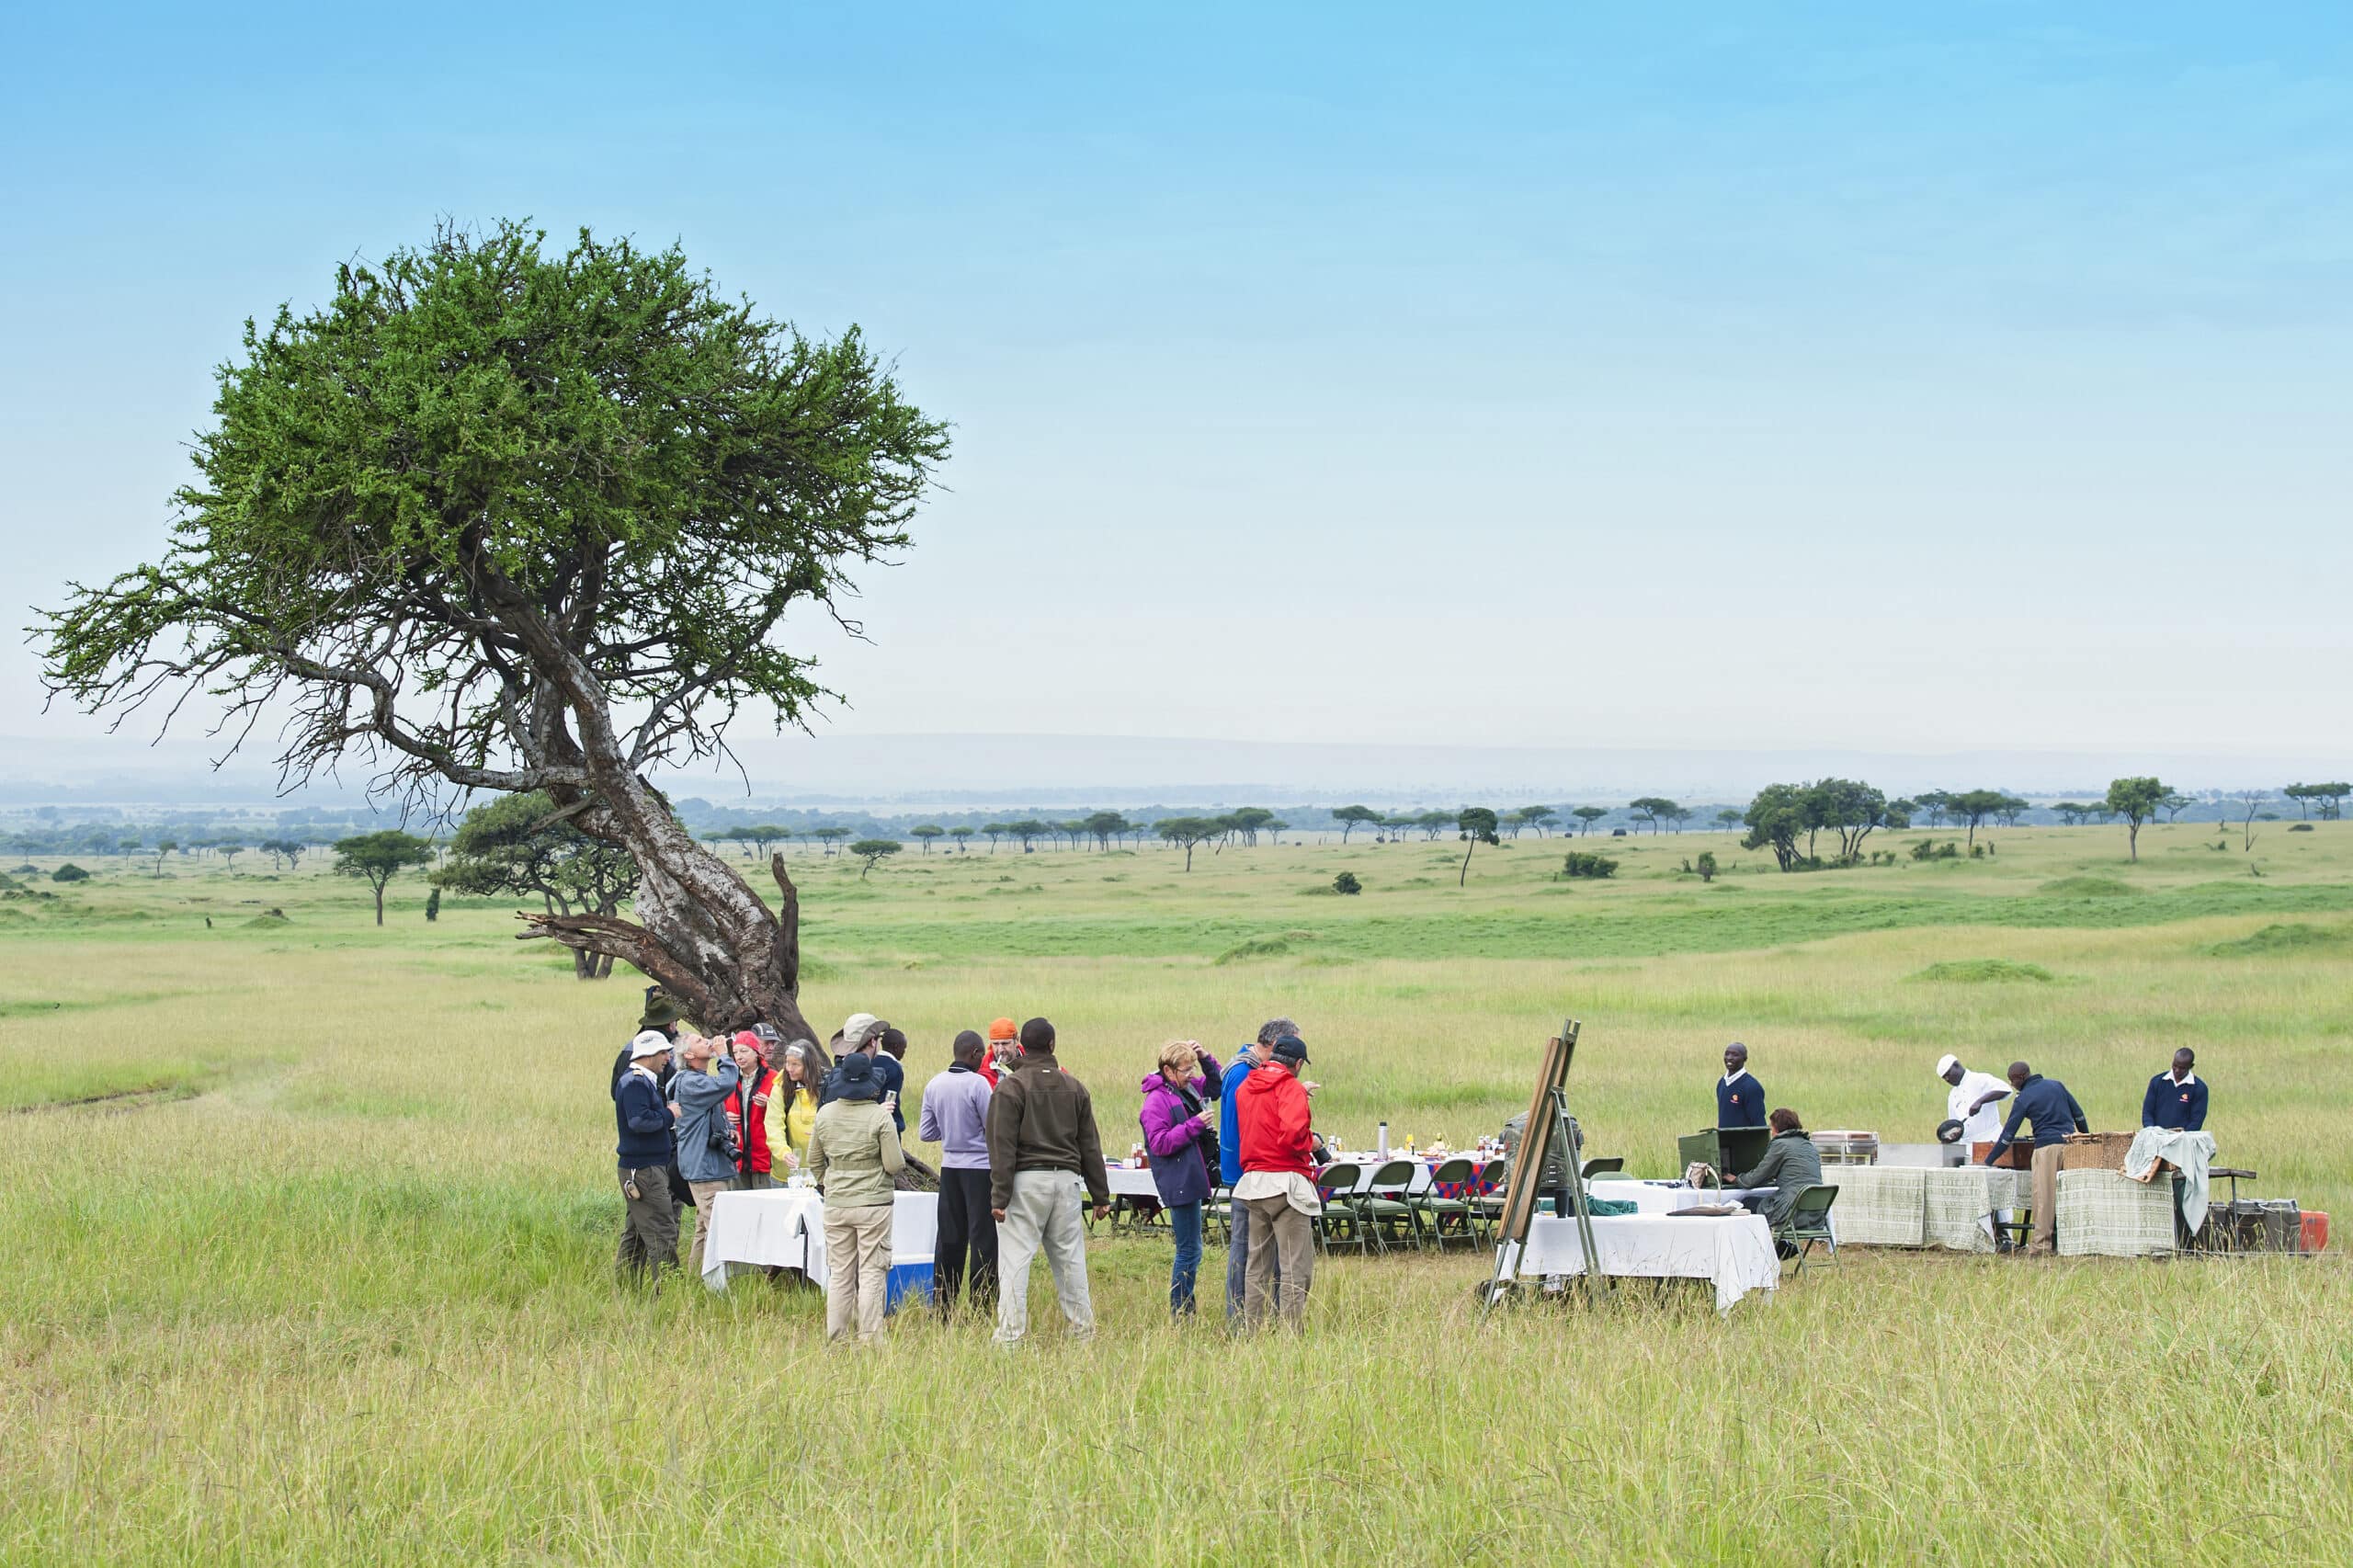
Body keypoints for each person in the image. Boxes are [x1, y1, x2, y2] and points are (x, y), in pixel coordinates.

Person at [985, 1017, 1109, 1346]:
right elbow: (1090, 1145)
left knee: (1015, 1263)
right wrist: (1100, 1195)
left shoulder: (1011, 1087)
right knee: (1070, 1262)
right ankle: (1082, 1334)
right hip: (1067, 1182)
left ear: (1021, 1045)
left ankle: (1010, 1338)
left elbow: (1002, 1145)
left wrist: (999, 1197)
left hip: (1025, 1183)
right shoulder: (1074, 1086)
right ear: (1052, 1045)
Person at [805, 1052, 906, 1346]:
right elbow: (894, 1164)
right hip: (874, 1204)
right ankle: (870, 1339)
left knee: (840, 1273)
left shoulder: (824, 1114)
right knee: (872, 1270)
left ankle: (837, 1339)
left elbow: (814, 1160)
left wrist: (831, 1182)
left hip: (837, 1205)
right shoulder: (879, 1116)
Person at [1233, 1036, 1320, 1330]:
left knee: (1257, 1265)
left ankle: (1253, 1330)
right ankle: (1290, 1334)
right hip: (1286, 1184)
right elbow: (1293, 1137)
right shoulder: (1290, 1087)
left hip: (1254, 1183)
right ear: (1297, 1064)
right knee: (1296, 1268)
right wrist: (1313, 1141)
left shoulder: (1247, 1086)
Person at [1138, 1040, 1223, 1316]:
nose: (1191, 1075)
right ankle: (1182, 1312)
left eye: (1192, 1068)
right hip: (1179, 1181)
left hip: (1191, 1178)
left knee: (1193, 1250)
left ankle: (1185, 1309)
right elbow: (1160, 1144)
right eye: (1186, 1070)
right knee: (1188, 1251)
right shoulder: (1155, 1102)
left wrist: (1206, 1057)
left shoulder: (1185, 1090)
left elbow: (1216, 1086)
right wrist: (1194, 1125)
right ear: (1168, 1070)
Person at [920, 1029, 998, 1316]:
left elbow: (926, 1132)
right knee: (983, 1238)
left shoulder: (934, 1084)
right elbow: (992, 1128)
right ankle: (982, 1306)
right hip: (980, 1170)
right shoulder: (978, 1084)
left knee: (950, 1238)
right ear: (975, 1053)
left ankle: (943, 1305)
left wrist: (951, 1131)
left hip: (950, 1168)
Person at [1221, 1018, 1292, 1323]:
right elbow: (1244, 1127)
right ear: (1276, 1046)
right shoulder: (1243, 1073)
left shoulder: (1252, 1070)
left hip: (1253, 1174)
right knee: (1244, 1251)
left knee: (1262, 1251)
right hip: (1246, 1175)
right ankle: (1238, 1318)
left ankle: (1262, 1316)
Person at [1983, 1060, 2090, 1256]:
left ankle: (2041, 1246)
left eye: (2011, 1081)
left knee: (2044, 1199)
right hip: (2072, 1146)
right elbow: (2079, 1115)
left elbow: (2007, 1136)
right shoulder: (2056, 1085)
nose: (2011, 1085)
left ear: (2019, 1078)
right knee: (2070, 1197)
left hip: (2047, 1149)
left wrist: (1988, 1161)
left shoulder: (2024, 1098)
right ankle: (2074, 1242)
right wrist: (2086, 1140)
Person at [669, 1032, 741, 1280]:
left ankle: (696, 1277)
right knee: (717, 1226)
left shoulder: (695, 1079)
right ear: (688, 1055)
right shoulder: (691, 1082)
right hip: (704, 1167)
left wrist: (727, 1131)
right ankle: (718, 1283)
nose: (708, 1041)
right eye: (700, 1041)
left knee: (703, 1225)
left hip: (706, 1164)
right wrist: (724, 1056)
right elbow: (727, 1083)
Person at [613, 1029, 681, 1284]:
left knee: (637, 1234)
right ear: (648, 1054)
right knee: (662, 1230)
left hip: (640, 1168)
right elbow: (639, 1122)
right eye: (663, 1052)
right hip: (644, 1170)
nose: (667, 1057)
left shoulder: (637, 1080)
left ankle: (628, 1288)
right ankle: (670, 1289)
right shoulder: (636, 1082)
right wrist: (669, 1114)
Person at [1937, 1052, 2014, 1241]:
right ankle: (1986, 1237)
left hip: (1992, 1142)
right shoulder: (1953, 1095)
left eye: (1949, 1074)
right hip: (1970, 1146)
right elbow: (1955, 1125)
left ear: (1957, 1065)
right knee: (1979, 1192)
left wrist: (1981, 1101)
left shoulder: (1980, 1080)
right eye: (1944, 1078)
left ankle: (2006, 1236)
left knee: (1999, 1187)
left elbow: (2005, 1090)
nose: (1948, 1079)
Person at [1731, 1108, 1825, 1243]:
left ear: (1777, 1127)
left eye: (1772, 1127)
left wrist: (1735, 1178)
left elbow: (1753, 1180)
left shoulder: (1780, 1145)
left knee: (1744, 1204)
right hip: (1815, 1215)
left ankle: (1754, 1252)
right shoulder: (1809, 1145)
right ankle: (1781, 1247)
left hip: (1792, 1212)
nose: (1771, 1131)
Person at [726, 1030, 780, 1190]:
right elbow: (717, 1107)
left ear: (756, 1052)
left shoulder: (774, 1078)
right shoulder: (728, 1080)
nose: (739, 1056)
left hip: (764, 1156)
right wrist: (724, 1116)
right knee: (740, 1207)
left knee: (766, 1207)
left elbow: (785, 1111)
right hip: (736, 1156)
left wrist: (770, 1104)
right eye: (735, 1052)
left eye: (744, 1051)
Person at [772, 1040, 827, 1170]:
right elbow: (773, 1124)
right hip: (788, 1171)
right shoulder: (781, 1087)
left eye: (795, 1064)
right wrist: (783, 1152)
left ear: (809, 1065)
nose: (789, 1068)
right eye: (787, 1063)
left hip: (821, 1168)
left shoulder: (827, 1086)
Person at [2142, 1048, 2207, 1131]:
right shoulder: (2157, 1081)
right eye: (2175, 1065)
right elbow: (2147, 1112)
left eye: (2182, 1068)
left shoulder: (2199, 1088)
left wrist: (2181, 1136)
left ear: (2191, 1066)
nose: (2177, 1070)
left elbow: (2197, 1120)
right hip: (2156, 1137)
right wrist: (2151, 1131)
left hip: (2183, 1140)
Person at [1717, 1042, 1766, 1129]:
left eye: (1735, 1055)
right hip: (1723, 1140)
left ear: (1745, 1058)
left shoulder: (1752, 1087)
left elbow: (1759, 1123)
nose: (1729, 1058)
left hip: (1744, 1141)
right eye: (1727, 1054)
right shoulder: (1722, 1083)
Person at [874, 1025, 910, 1133]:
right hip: (887, 1126)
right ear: (895, 1047)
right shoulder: (894, 1068)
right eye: (904, 1048)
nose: (904, 1052)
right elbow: (890, 1101)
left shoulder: (872, 1061)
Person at [980, 1017, 1019, 1087]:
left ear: (1016, 1040)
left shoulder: (1030, 1061)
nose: (1000, 1050)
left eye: (1005, 1043)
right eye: (995, 1044)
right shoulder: (982, 1071)